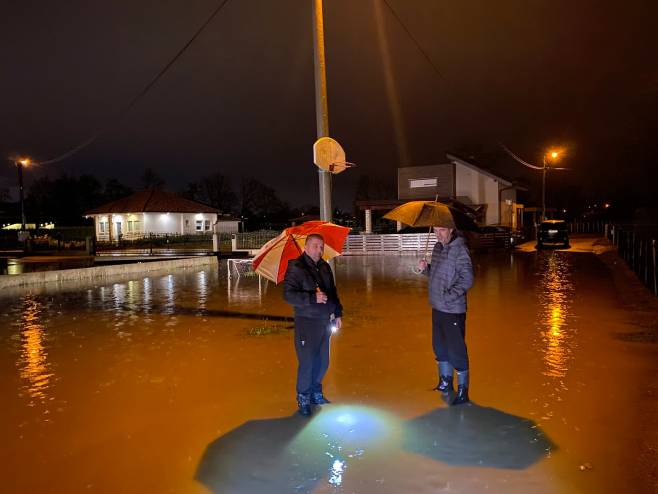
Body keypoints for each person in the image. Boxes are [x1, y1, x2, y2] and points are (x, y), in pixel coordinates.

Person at [283, 234, 343, 416]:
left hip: (325, 321)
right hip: (306, 323)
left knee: (323, 362)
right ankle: (303, 397)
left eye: (322, 246)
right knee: (307, 362)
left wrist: (338, 312)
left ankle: (316, 392)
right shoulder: (296, 267)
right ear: (306, 247)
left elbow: (332, 292)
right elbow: (288, 295)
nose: (319, 250)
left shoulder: (324, 266)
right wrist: (311, 297)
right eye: (316, 246)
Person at [418, 226, 474, 405]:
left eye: (441, 230)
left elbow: (467, 278)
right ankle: (445, 382)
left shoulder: (460, 249)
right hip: (437, 307)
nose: (437, 234)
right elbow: (437, 274)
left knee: (456, 351)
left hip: (452, 310)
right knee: (440, 347)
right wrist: (426, 269)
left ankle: (463, 392)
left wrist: (448, 296)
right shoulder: (437, 248)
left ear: (451, 229)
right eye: (435, 230)